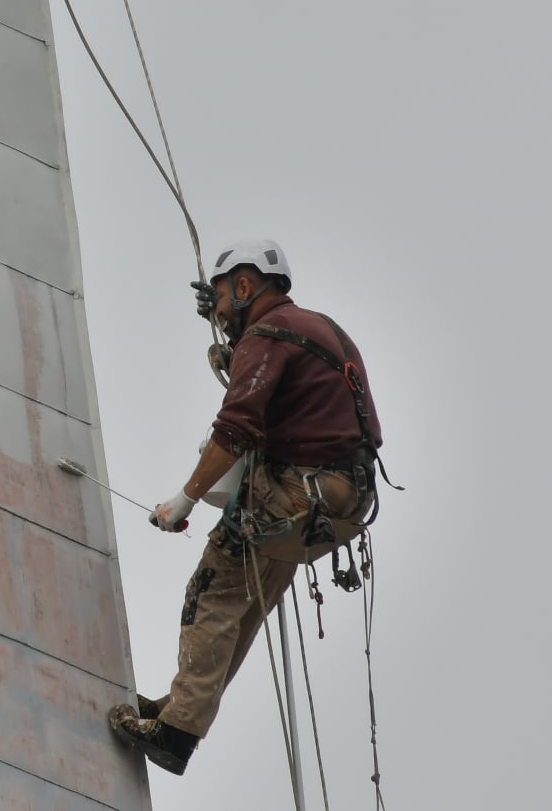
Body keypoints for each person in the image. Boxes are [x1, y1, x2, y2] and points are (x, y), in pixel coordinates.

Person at [109, 238, 385, 776]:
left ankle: (177, 731)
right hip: (341, 500)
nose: (217, 310)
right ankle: (181, 710)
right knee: (244, 605)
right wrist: (230, 333)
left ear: (243, 285)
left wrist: (183, 501)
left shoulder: (267, 337)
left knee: (212, 592)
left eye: (221, 297)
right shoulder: (314, 326)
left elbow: (235, 428)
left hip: (299, 496)